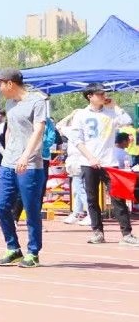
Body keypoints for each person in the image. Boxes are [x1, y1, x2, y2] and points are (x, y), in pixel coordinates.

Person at [67, 84, 137, 246]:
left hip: (110, 162)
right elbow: (77, 140)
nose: (103, 96)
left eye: (104, 93)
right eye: (99, 94)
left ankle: (127, 234)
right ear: (90, 96)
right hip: (88, 162)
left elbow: (128, 121)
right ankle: (97, 232)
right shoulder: (81, 114)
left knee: (118, 198)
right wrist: (90, 157)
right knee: (92, 199)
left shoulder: (111, 112)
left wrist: (115, 106)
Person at [0, 68, 49, 267]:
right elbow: (11, 129)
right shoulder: (9, 103)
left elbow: (39, 130)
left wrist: (26, 155)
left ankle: (33, 252)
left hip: (30, 164)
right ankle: (13, 248)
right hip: (8, 162)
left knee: (31, 210)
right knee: (1, 206)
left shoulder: (37, 101)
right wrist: (8, 152)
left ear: (10, 83)